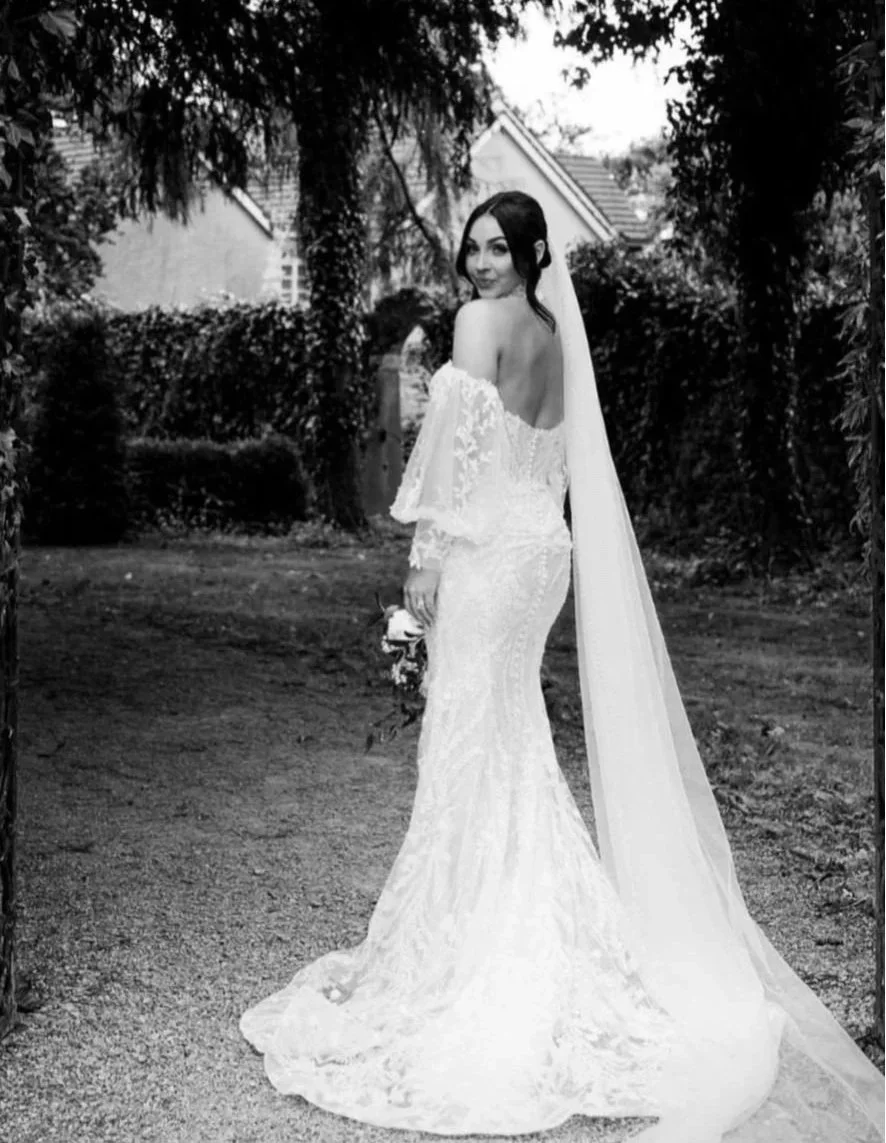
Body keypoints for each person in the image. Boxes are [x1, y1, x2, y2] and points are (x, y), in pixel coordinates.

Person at [240, 191, 884, 1141]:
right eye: (474, 248)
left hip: (493, 555)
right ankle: (509, 921)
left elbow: (458, 444)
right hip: (543, 549)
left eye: (499, 248)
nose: (480, 263)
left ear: (534, 252)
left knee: (468, 735)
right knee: (509, 738)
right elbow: (552, 462)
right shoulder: (555, 332)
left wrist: (424, 557)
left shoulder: (478, 324)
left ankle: (464, 949)